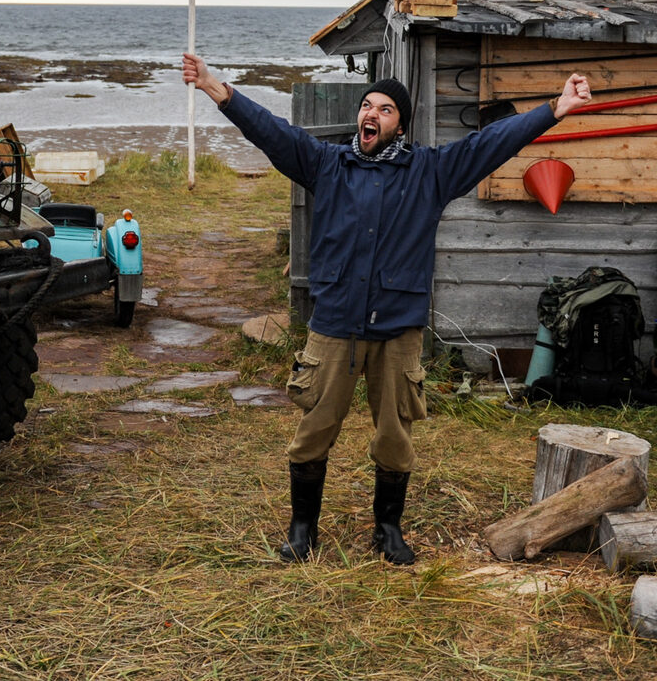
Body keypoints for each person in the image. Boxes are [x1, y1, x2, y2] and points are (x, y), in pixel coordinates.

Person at [182, 53, 591, 564]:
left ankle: (388, 529)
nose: (371, 114)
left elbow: (491, 143)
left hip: (397, 331)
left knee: (395, 435)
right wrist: (216, 88)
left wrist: (556, 108)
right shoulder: (327, 164)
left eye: (385, 109)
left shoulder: (431, 172)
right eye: (366, 106)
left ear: (401, 123)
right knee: (313, 431)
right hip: (334, 325)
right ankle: (302, 527)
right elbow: (271, 132)